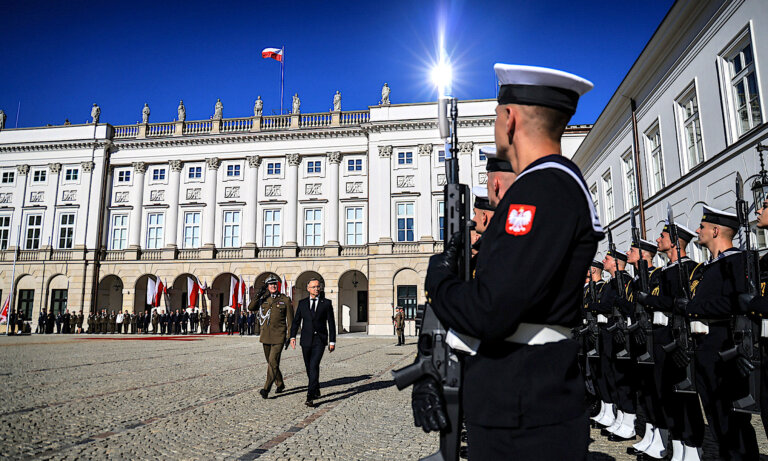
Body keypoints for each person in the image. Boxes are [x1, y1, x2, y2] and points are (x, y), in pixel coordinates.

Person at [422, 63, 600, 460]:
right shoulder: (552, 184)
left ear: (510, 118)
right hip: (524, 398)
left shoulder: (541, 188)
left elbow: (491, 310)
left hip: (524, 407)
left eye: (496, 117)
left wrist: (439, 281)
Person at [685, 206, 758, 460]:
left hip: (725, 351)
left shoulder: (737, 261)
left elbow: (739, 301)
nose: (698, 230)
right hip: (706, 352)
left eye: (702, 227)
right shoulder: (708, 267)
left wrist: (694, 307)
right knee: (717, 421)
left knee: (733, 423)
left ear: (716, 230)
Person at [290, 278, 336, 407]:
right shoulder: (302, 303)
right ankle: (315, 387)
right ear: (308, 289)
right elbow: (296, 321)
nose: (316, 288)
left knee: (314, 365)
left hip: (320, 340)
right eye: (314, 287)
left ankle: (310, 396)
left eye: (318, 286)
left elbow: (331, 323)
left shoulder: (326, 303)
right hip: (306, 340)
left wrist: (332, 341)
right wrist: (292, 336)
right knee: (308, 367)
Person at [249, 275, 293, 399]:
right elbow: (251, 307)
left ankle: (266, 389)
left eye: (275, 284)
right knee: (271, 363)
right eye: (270, 284)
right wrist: (258, 295)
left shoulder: (285, 299)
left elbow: (290, 320)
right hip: (266, 336)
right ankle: (280, 383)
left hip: (279, 336)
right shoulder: (264, 299)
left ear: (277, 285)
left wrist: (290, 336)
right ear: (267, 286)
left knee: (273, 361)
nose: (273, 286)